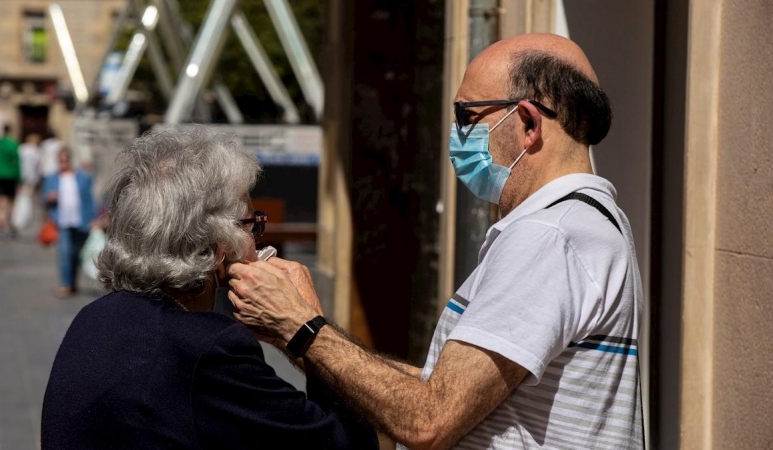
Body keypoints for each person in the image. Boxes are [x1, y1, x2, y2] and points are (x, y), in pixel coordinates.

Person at [227, 34, 644, 449]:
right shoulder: (577, 223)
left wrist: (300, 326)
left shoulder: (550, 236)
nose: (456, 134)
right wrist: (302, 334)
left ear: (529, 123)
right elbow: (444, 391)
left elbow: (429, 419)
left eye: (467, 116)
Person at [41, 128, 377, 449]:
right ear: (219, 248)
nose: (258, 240)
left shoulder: (93, 318)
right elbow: (346, 442)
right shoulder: (208, 350)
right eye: (251, 224)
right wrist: (307, 327)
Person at [41, 148, 96, 298]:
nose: (63, 163)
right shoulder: (52, 178)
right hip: (62, 221)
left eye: (65, 160)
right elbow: (43, 199)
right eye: (61, 160)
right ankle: (65, 284)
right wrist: (49, 198)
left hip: (81, 221)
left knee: (76, 254)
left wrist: (94, 218)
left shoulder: (82, 177)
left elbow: (89, 199)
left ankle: (72, 282)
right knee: (64, 253)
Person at [0, 124, 21, 239]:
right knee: (11, 204)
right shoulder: (13, 144)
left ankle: (0, 228)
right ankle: (10, 225)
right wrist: (19, 178)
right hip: (11, 176)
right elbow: (17, 163)